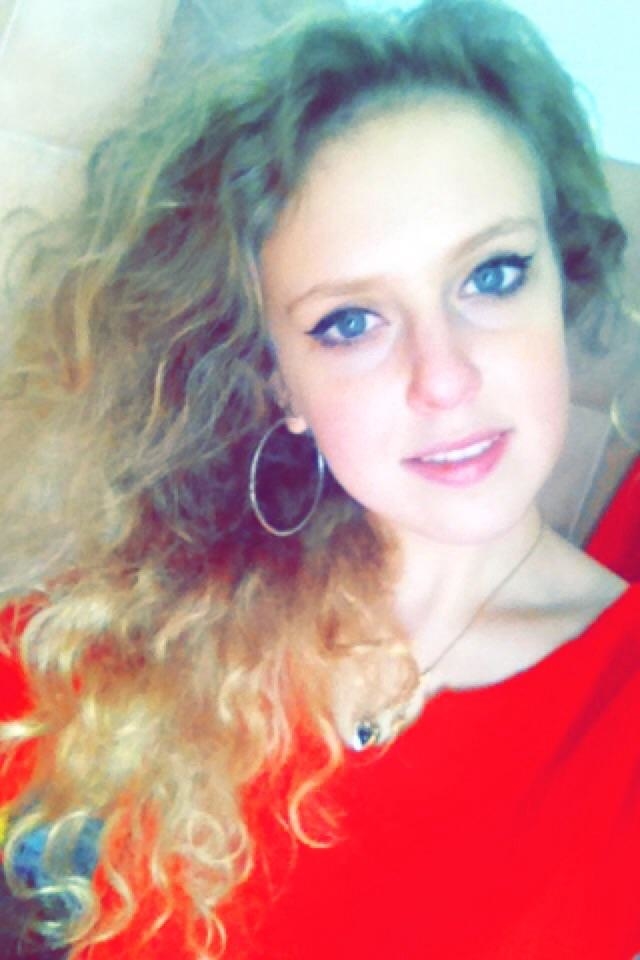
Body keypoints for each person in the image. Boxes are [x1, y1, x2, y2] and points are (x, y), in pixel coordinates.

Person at [0, 0, 637, 957]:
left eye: (494, 276)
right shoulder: (151, 622)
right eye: (350, 322)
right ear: (278, 382)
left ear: (562, 277)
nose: (444, 378)